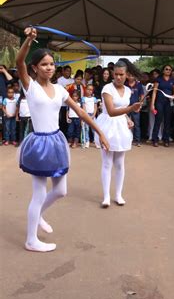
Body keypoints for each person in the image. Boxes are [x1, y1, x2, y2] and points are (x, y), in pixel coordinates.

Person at [16, 27, 108, 252]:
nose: (49, 67)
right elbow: (19, 62)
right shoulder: (30, 86)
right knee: (38, 193)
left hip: (57, 142)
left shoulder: (60, 90)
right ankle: (31, 240)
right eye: (44, 64)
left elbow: (82, 112)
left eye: (51, 64)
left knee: (61, 191)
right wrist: (29, 40)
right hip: (39, 144)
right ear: (35, 68)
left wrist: (100, 132)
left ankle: (38, 216)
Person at [95, 58, 141, 208]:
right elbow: (111, 111)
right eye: (116, 74)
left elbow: (122, 111)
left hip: (121, 128)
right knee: (107, 163)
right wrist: (130, 110)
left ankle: (118, 195)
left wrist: (128, 118)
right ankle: (106, 196)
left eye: (121, 74)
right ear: (112, 74)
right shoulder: (107, 89)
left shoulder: (128, 90)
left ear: (127, 74)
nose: (118, 77)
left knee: (120, 163)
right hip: (107, 126)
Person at [151, 64, 174, 147]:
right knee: (158, 120)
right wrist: (152, 104)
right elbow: (154, 92)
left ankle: (166, 140)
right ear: (163, 70)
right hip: (159, 102)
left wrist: (173, 96)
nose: (168, 70)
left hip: (168, 102)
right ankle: (155, 139)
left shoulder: (173, 80)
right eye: (166, 69)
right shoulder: (158, 79)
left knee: (167, 121)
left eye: (169, 69)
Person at [125, 73, 144, 147]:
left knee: (136, 124)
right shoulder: (125, 84)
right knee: (126, 124)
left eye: (132, 75)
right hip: (127, 107)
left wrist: (140, 105)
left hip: (136, 107)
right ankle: (127, 140)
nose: (131, 77)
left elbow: (142, 96)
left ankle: (137, 140)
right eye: (129, 75)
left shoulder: (138, 85)